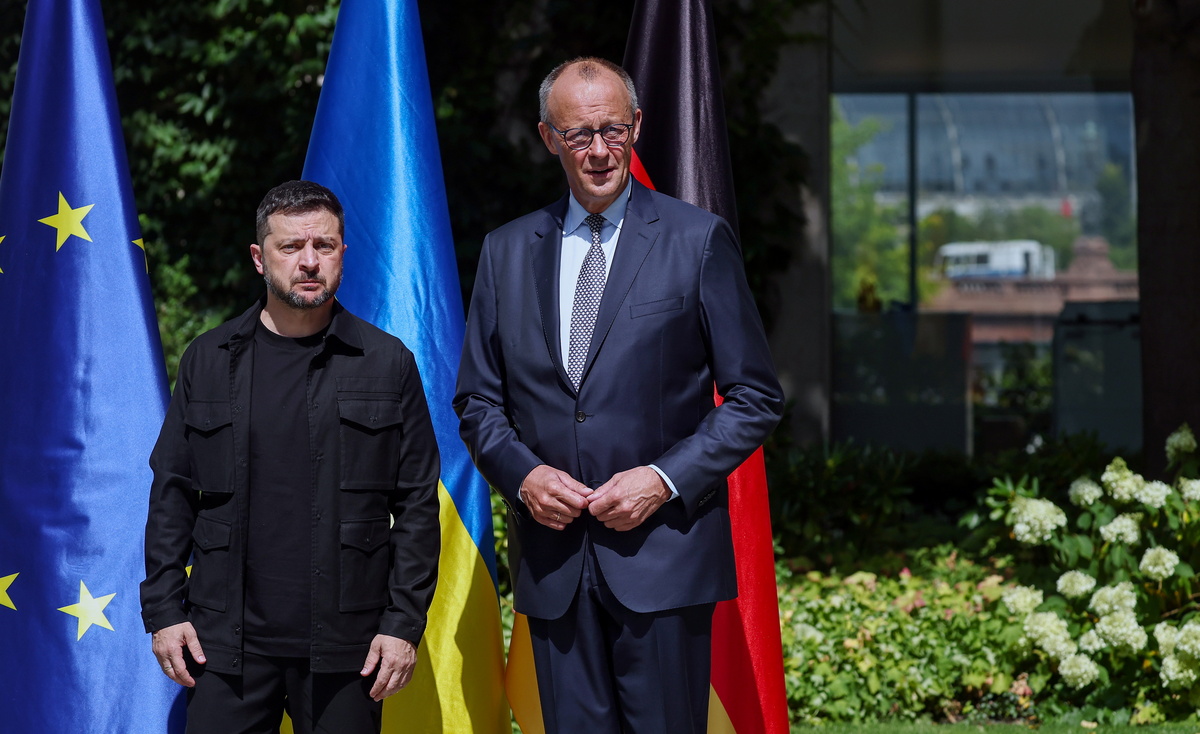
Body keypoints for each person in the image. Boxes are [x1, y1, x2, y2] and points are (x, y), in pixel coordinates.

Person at [454, 57, 784, 733]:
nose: (600, 151)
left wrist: (663, 480)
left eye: (612, 130)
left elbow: (755, 395)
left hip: (663, 561)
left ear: (636, 126)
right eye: (579, 135)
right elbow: (477, 402)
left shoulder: (697, 241)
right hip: (554, 567)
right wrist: (524, 476)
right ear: (549, 138)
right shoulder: (505, 251)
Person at [141, 180, 440, 734]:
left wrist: (402, 624)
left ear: (342, 253)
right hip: (222, 645)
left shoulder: (386, 363)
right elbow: (172, 493)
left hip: (348, 648)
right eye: (291, 247)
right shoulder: (208, 359)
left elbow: (417, 505)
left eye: (323, 246)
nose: (309, 261)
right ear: (260, 258)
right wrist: (164, 611)